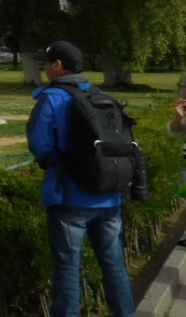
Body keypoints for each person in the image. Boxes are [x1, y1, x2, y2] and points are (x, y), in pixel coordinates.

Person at [26, 41, 135, 317]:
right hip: (108, 195)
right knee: (113, 264)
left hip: (69, 195)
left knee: (67, 268)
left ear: (58, 65)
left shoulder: (51, 97)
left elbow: (39, 145)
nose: (45, 66)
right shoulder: (102, 95)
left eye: (47, 62)